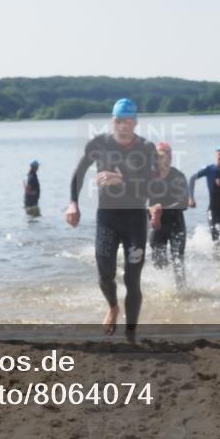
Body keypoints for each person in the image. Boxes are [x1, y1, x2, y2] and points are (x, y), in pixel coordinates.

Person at [66, 98, 160, 341]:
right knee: (104, 274)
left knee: (132, 278)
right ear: (112, 120)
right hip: (107, 218)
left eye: (128, 120)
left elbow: (152, 188)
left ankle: (131, 333)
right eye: (119, 120)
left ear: (135, 123)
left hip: (135, 220)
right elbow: (78, 174)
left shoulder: (147, 148)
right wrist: (73, 203)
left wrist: (123, 180)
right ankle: (112, 307)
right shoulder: (99, 144)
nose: (123, 125)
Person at [148, 142, 189, 289]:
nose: (160, 159)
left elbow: (183, 203)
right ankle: (163, 291)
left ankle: (182, 293)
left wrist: (162, 209)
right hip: (156, 225)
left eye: (164, 155)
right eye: (157, 156)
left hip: (175, 223)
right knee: (158, 262)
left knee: (178, 260)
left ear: (170, 157)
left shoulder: (178, 176)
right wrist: (151, 210)